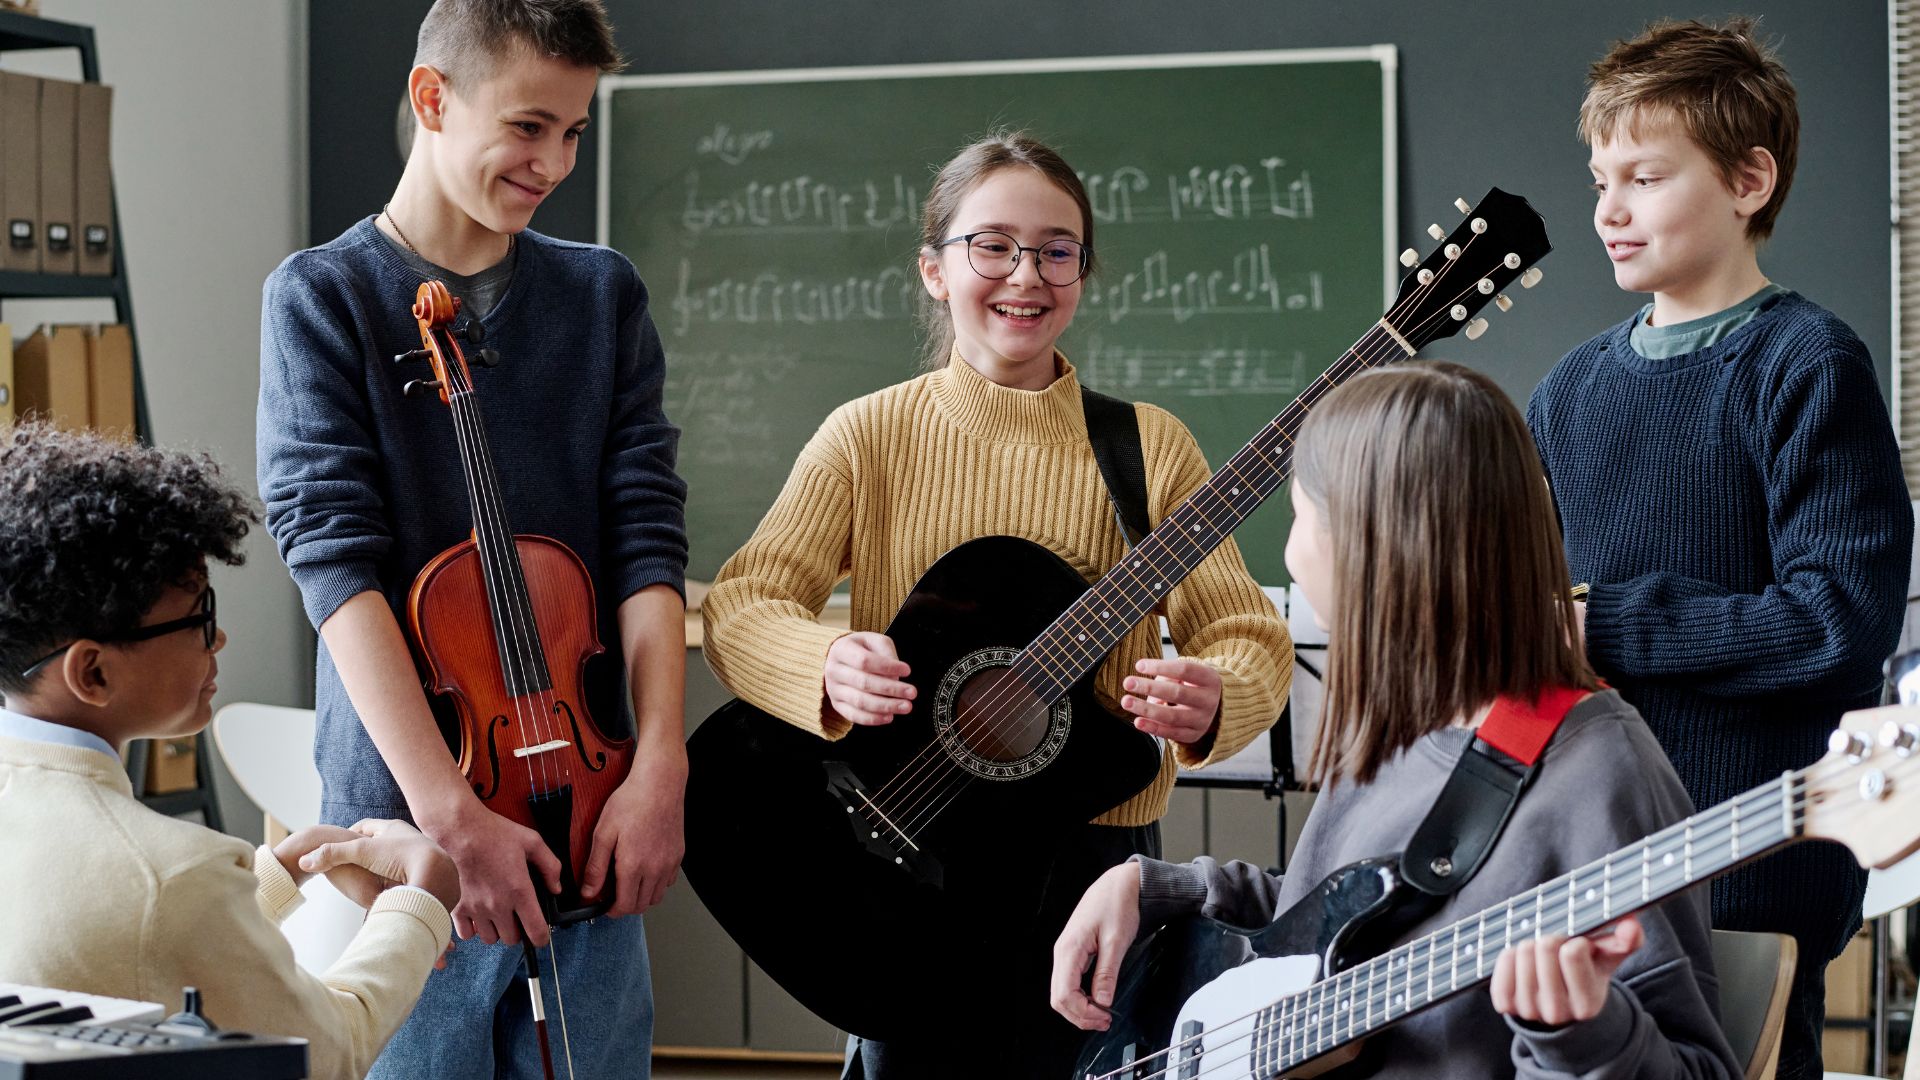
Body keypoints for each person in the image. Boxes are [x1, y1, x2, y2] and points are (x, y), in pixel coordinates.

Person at [699, 130, 1292, 1080]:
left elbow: (1244, 630)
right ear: (934, 270)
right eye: (993, 245)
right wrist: (821, 663)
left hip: (1098, 870)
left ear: (1083, 273)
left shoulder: (1151, 447)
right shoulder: (868, 435)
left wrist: (1218, 695)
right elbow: (746, 600)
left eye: (1059, 250)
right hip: (907, 850)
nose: (1028, 274)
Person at [1051, 363, 1742, 1080]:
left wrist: (1583, 1034)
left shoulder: (1601, 775)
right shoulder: (1403, 723)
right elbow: (1331, 928)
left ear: (1369, 543)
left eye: (1299, 516)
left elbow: (1699, 1069)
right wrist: (1158, 887)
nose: (1289, 551)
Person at [256, 1, 689, 1075]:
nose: (554, 162)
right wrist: (452, 818)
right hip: (407, 838)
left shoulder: (600, 295)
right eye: (530, 126)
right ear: (432, 98)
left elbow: (645, 534)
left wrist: (660, 762)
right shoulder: (324, 297)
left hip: (588, 800)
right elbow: (332, 563)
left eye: (575, 133)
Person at [1527, 19, 1911, 1078]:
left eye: (1645, 177)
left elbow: (1838, 623)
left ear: (1749, 180)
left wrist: (1607, 620)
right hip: (1581, 867)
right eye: (1602, 177)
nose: (1609, 209)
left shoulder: (1809, 364)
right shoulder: (1567, 391)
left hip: (1751, 870)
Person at [0, 421, 461, 1080]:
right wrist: (419, 904)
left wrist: (267, 878)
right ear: (93, 673)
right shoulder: (173, 874)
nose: (219, 642)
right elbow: (329, 1052)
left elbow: (122, 937)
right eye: (200, 618)